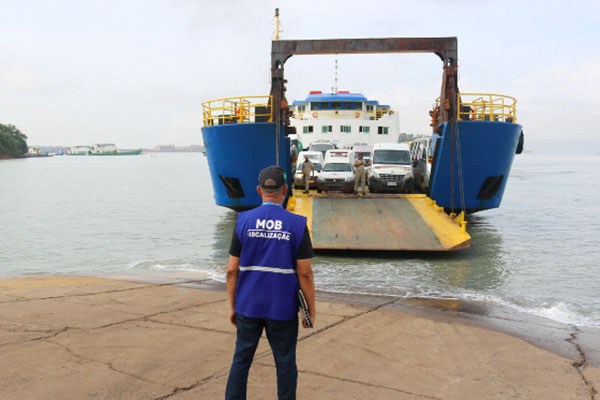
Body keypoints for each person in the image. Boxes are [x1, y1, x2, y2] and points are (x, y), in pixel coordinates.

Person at [225, 165, 316, 400]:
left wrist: (233, 305)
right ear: (285, 190)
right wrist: (311, 310)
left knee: (241, 359)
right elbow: (305, 273)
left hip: (248, 306)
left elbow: (231, 269)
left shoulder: (243, 221)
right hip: (282, 308)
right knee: (285, 363)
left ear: (258, 190)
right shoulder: (297, 224)